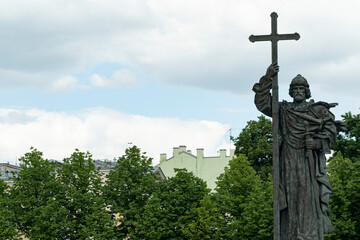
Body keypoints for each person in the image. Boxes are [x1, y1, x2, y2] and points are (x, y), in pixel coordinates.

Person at [253, 63, 343, 240]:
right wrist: (267, 78)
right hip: (288, 159)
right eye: (295, 88)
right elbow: (263, 104)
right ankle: (291, 234)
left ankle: (309, 236)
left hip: (307, 159)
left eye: (301, 88)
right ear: (290, 91)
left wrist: (316, 143)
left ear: (307, 91)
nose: (298, 91)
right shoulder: (284, 110)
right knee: (290, 199)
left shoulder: (317, 110)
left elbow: (331, 130)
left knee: (309, 198)